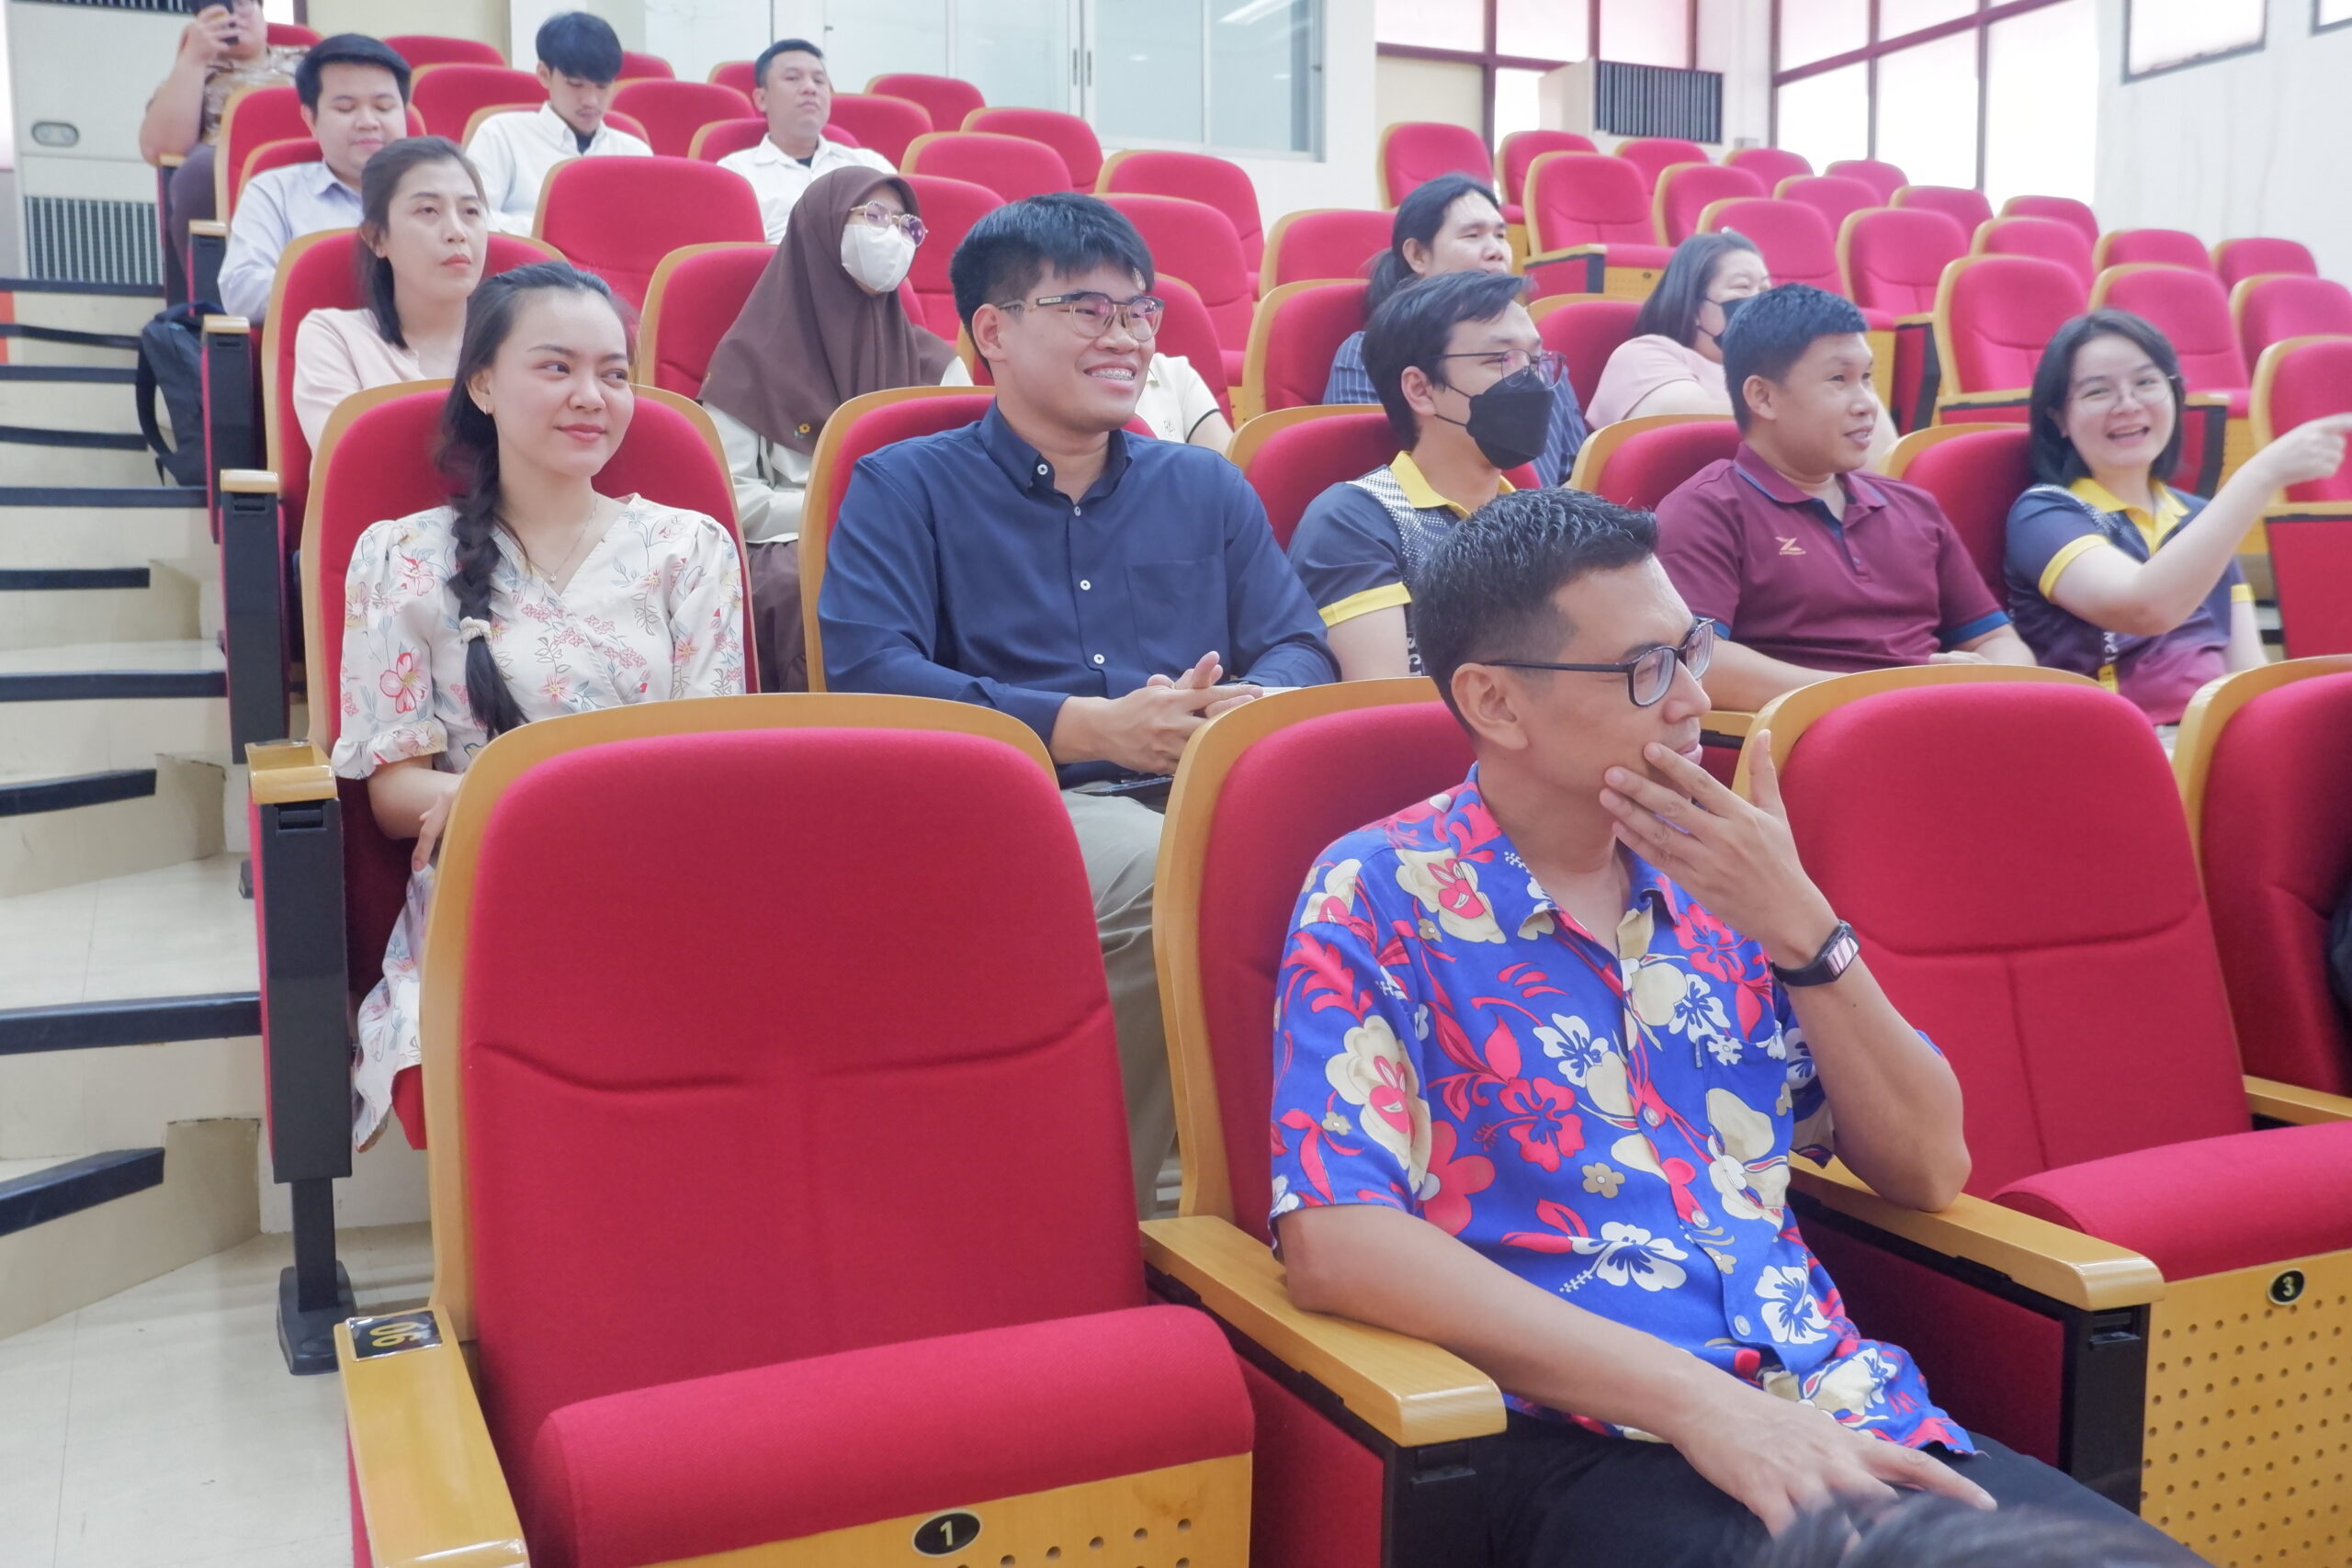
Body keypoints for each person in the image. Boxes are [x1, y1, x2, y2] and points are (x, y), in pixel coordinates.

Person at [1268, 487, 2210, 1568]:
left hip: (1843, 1408)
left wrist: (1803, 926)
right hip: (1587, 1441)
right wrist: (1702, 1406)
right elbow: (1337, 1241)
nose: (1692, 699)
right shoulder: (1377, 892)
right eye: (1645, 668)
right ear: (1494, 700)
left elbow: (1925, 1166)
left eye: (1692, 650)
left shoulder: (1728, 880)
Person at [818, 193, 1335, 1213]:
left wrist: (1243, 708)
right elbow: (871, 673)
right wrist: (1083, 728)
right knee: (1166, 871)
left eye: (1141, 313)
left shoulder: (1206, 488)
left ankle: (1327, 1193)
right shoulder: (903, 487)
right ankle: (1107, 1213)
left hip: (1204, 787)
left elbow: (1299, 646)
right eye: (1090, 310)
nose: (1127, 338)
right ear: (994, 331)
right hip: (1013, 807)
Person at [332, 262, 747, 1148]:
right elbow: (395, 792)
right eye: (556, 367)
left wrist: (540, 801)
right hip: (494, 885)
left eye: (613, 372)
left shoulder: (689, 548)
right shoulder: (401, 556)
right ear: (482, 383)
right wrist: (526, 809)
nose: (591, 396)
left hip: (665, 880)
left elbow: (715, 765)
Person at [1652, 284, 2033, 712]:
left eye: (1866, 378)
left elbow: (1997, 639)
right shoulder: (1708, 509)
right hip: (1814, 735)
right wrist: (1883, 695)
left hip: (1941, 719)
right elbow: (1701, 663)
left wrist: (1986, 680)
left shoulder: (1914, 506)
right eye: (1839, 379)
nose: (1867, 404)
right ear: (1763, 397)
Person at [2007, 310, 2352, 726]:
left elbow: (2247, 670)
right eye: (2098, 392)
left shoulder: (2200, 516)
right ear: (2059, 418)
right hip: (2117, 738)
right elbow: (2144, 609)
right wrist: (2260, 475)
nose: (2128, 405)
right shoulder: (2044, 513)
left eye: (2146, 383)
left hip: (2207, 736)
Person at [699, 167, 968, 690]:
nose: (893, 236)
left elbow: (966, 482)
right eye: (875, 217)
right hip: (793, 540)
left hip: (915, 536)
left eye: (907, 225)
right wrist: (843, 513)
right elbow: (731, 499)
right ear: (821, 230)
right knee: (803, 585)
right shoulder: (747, 361)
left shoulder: (938, 366)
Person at [1290, 269, 1554, 679]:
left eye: (1535, 361)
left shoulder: (1545, 519)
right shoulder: (1355, 520)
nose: (1530, 381)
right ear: (1421, 389)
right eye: (1500, 359)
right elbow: (1384, 703)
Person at [1323, 174, 1589, 485]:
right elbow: (1373, 474)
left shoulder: (1539, 361)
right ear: (1418, 255)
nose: (1496, 251)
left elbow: (1574, 477)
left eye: (1501, 235)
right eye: (1472, 235)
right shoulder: (1366, 354)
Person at [290, 137, 489, 450]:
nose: (457, 231)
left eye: (470, 211)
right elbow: (346, 460)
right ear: (377, 238)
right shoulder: (335, 336)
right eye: (428, 210)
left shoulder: (514, 339)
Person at [218, 33, 411, 321]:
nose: (368, 122)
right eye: (346, 108)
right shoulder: (275, 192)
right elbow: (242, 291)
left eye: (383, 107)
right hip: (316, 346)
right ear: (311, 119)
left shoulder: (441, 191)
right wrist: (347, 289)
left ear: (404, 113)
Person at [138, 0, 306, 266]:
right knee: (198, 171)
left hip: (306, 154)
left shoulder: (308, 60)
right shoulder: (195, 71)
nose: (233, 16)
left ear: (261, 10)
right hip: (225, 163)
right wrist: (193, 58)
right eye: (221, 7)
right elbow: (161, 149)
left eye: (241, 4)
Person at [464, 12, 650, 235]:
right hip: (528, 255)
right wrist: (553, 231)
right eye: (576, 85)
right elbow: (473, 215)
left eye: (602, 87)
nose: (591, 101)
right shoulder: (501, 134)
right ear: (544, 74)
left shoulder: (635, 152)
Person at [718, 38, 892, 243]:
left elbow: (902, 236)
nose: (810, 88)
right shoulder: (735, 173)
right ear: (762, 99)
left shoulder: (870, 165)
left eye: (819, 81)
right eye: (793, 78)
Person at [1586, 231, 1765, 425]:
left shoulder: (1768, 368)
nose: (1760, 301)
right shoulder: (1643, 354)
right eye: (1742, 286)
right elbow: (1685, 420)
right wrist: (1785, 412)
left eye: (1765, 290)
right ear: (1694, 306)